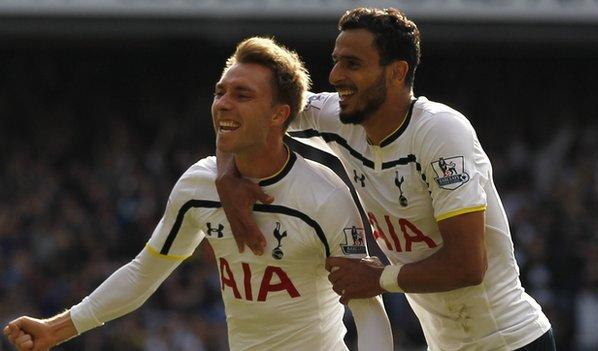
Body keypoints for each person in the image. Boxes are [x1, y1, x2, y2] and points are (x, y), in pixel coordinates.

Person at [3, 37, 393, 351]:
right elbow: (144, 273)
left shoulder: (326, 197)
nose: (223, 103)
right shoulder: (199, 185)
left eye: (242, 95)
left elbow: (367, 308)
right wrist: (55, 329)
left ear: (279, 114)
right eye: (220, 92)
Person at [216, 7, 556, 351]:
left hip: (511, 340)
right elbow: (249, 114)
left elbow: (468, 265)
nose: (334, 75)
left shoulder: (439, 131)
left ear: (396, 72)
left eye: (352, 64)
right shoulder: (340, 117)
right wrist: (225, 174)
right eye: (336, 61)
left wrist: (378, 278)